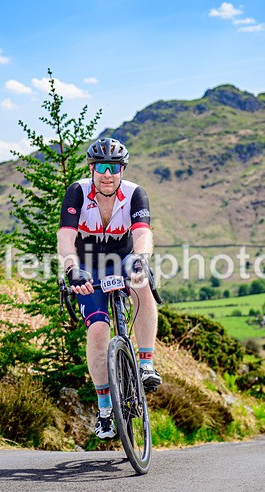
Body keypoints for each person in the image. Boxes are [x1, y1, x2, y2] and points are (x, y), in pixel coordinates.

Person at [57, 137, 161, 440]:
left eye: (114, 167)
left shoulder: (134, 194)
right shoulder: (76, 193)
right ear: (91, 168)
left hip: (123, 259)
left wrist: (141, 259)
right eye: (101, 167)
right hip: (87, 266)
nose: (107, 174)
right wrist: (71, 270)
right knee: (98, 330)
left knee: (141, 282)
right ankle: (105, 411)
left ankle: (145, 364)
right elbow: (66, 239)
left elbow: (143, 234)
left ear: (122, 169)